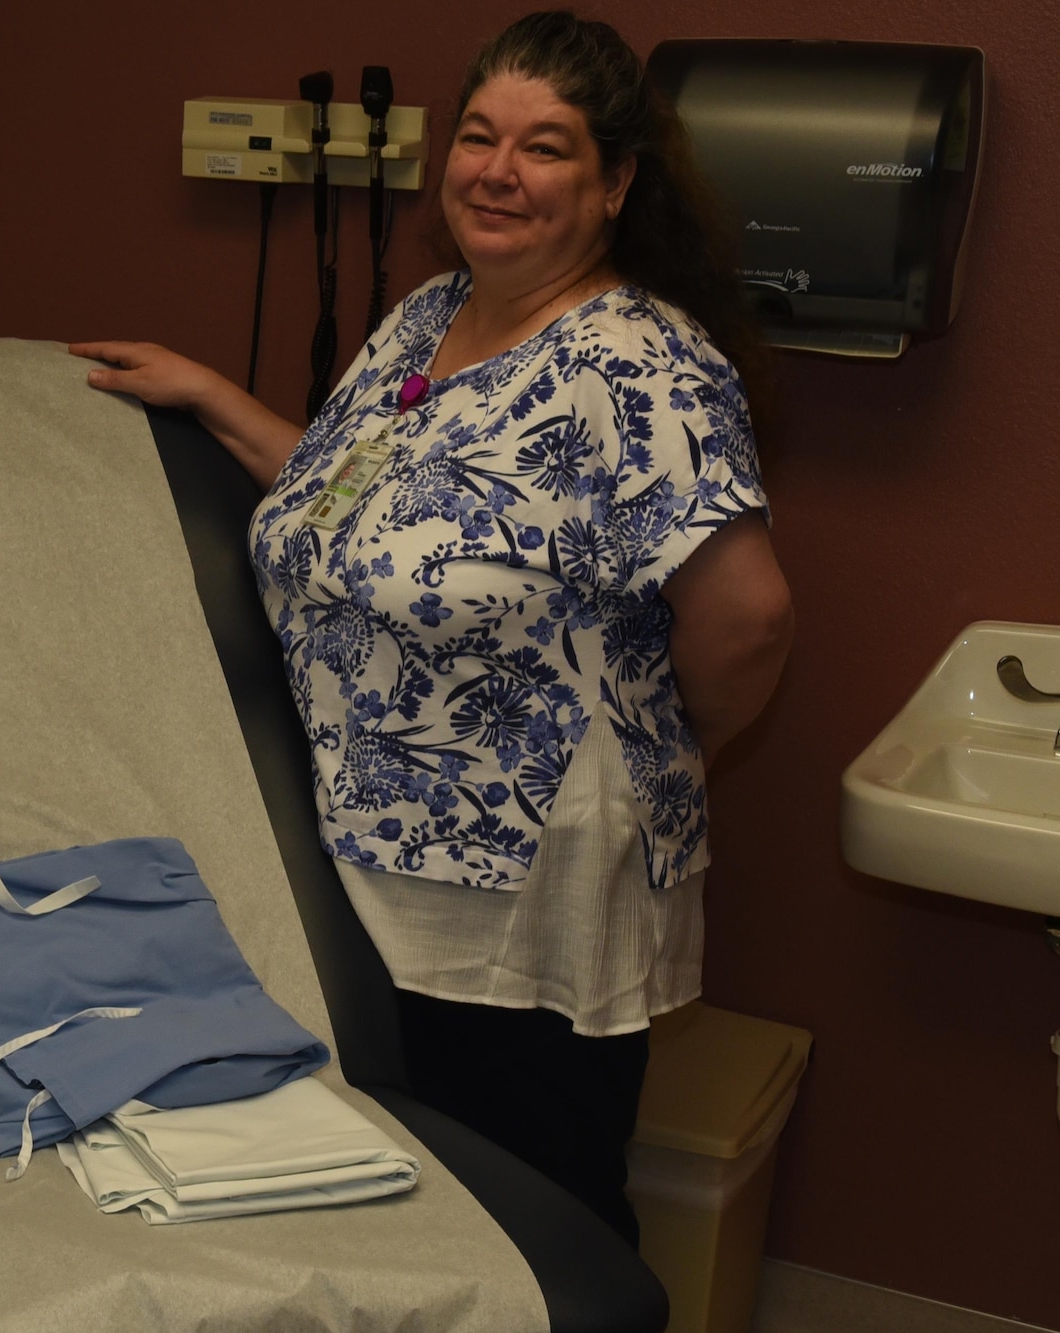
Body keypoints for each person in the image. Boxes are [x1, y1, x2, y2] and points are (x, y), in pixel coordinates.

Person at [72, 11, 792, 1244]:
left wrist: (676, 751)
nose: (496, 171)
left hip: (519, 888)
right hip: (371, 854)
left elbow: (749, 616)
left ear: (614, 183)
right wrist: (210, 397)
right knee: (405, 1211)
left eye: (545, 148)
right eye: (477, 136)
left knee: (536, 1213)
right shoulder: (428, 317)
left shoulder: (640, 369)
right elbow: (376, 516)